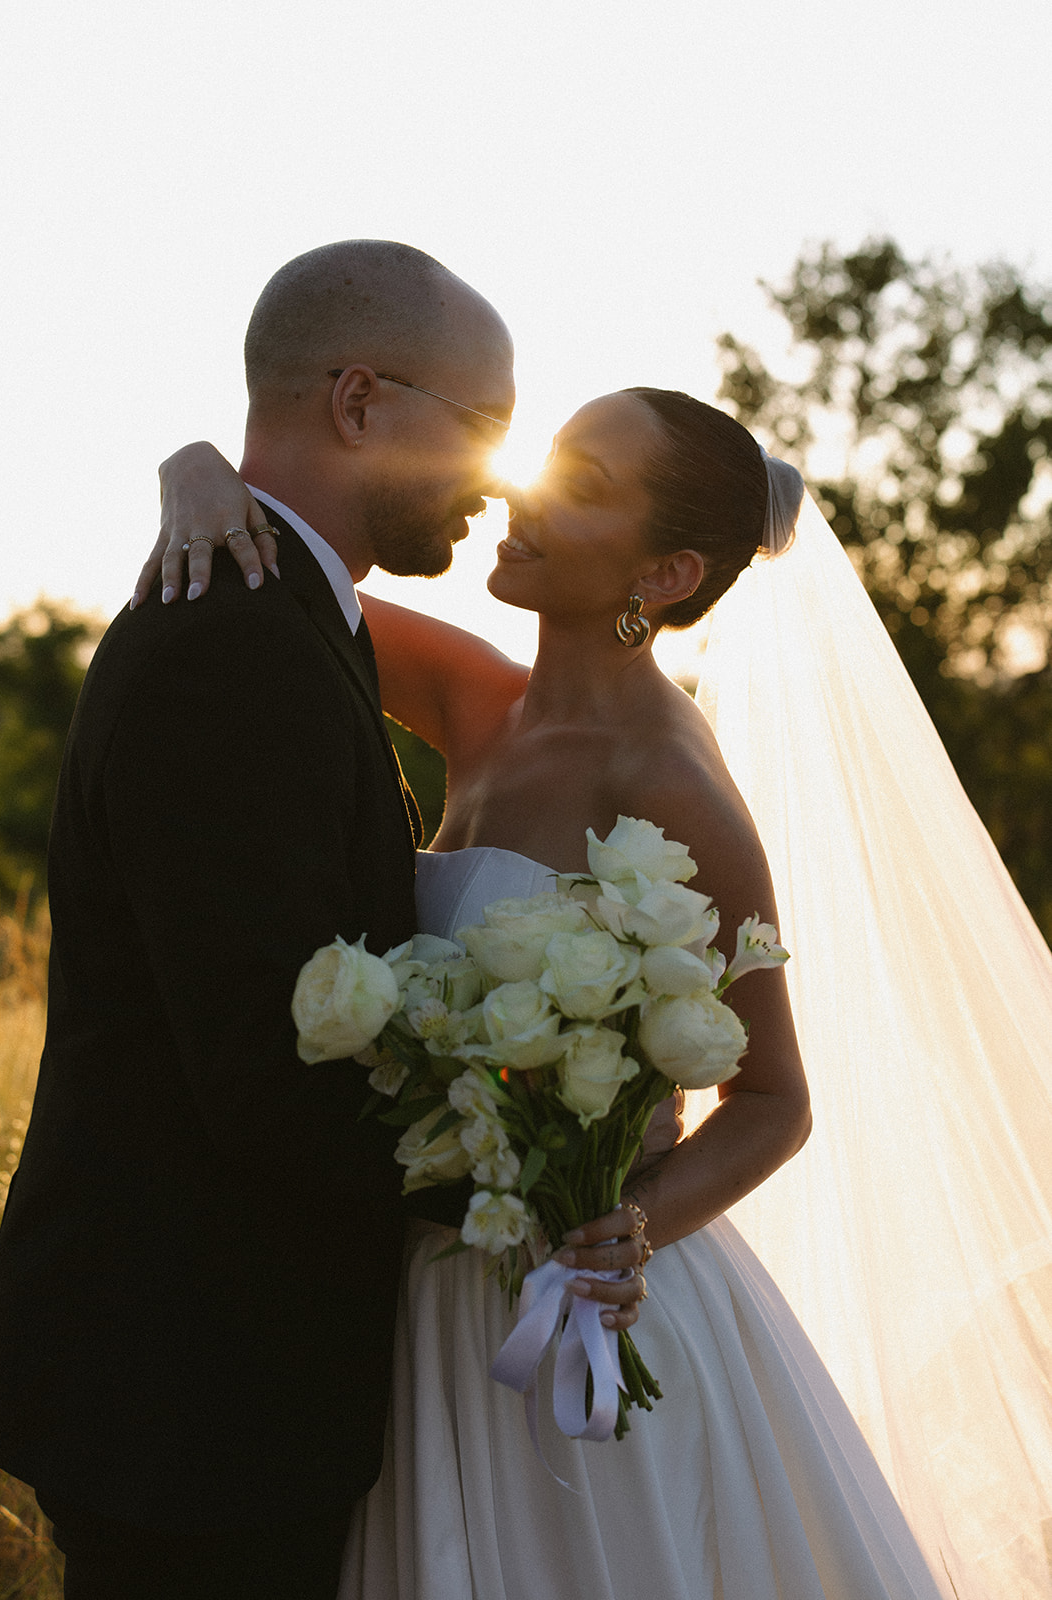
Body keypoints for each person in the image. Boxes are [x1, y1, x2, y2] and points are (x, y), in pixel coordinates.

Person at [134, 382, 1051, 1598]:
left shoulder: (673, 788)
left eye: (583, 486)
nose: (523, 491)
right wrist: (195, 473)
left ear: (663, 575)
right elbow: (291, 583)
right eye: (550, 457)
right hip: (425, 1302)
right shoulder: (481, 702)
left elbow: (774, 1095)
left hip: (587, 1313)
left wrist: (628, 1230)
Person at [0, 241, 647, 1600]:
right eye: (484, 430)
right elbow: (265, 1071)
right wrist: (530, 1193)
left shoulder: (293, 608)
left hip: (225, 1376)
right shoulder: (236, 637)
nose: (494, 476)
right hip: (190, 1394)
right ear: (359, 404)